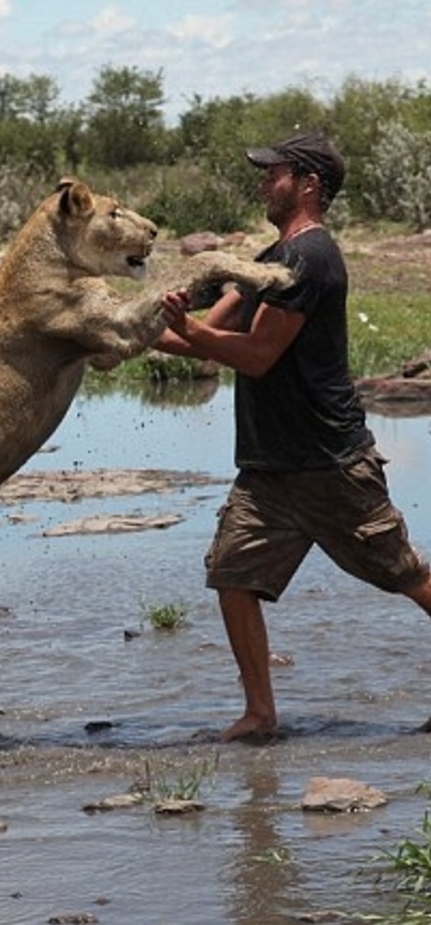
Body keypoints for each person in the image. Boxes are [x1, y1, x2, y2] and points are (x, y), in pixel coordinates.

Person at [156, 130, 431, 743]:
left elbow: (256, 355)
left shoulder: (312, 259)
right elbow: (201, 337)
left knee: (407, 577)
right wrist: (133, 329)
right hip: (270, 470)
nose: (263, 183)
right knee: (232, 579)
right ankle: (260, 716)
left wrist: (186, 334)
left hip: (330, 464)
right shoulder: (266, 261)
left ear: (308, 184)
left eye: (273, 173)